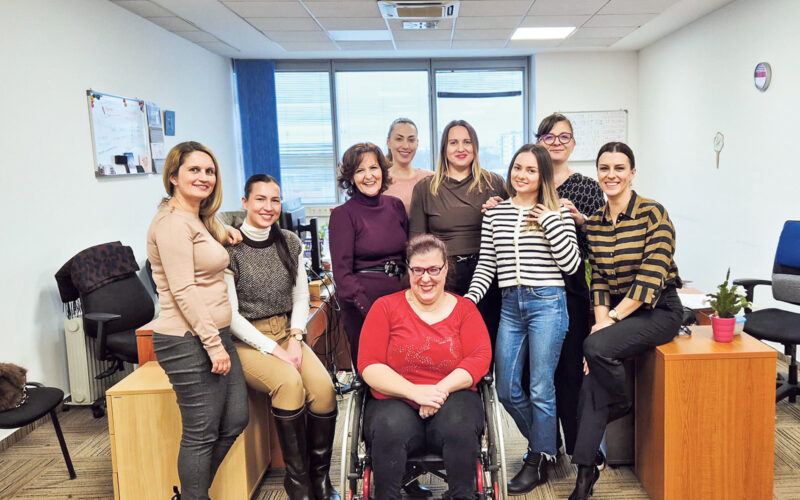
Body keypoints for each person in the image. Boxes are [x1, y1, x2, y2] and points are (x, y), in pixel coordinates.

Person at [569, 142, 682, 500]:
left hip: (659, 309)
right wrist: (602, 324)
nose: (611, 175)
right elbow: (600, 280)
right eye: (604, 168)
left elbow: (652, 275)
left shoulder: (653, 214)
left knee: (594, 347)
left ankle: (622, 402)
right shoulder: (595, 224)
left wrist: (608, 325)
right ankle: (585, 474)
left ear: (632, 173)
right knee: (592, 377)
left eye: (619, 168)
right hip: (619, 312)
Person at [465, 144, 581, 494]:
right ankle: (546, 445)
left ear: (543, 175)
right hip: (510, 305)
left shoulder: (558, 212)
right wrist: (468, 303)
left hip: (548, 303)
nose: (522, 175)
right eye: (518, 167)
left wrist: (550, 222)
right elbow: (487, 265)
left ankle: (537, 460)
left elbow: (571, 265)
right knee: (506, 389)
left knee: (541, 387)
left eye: (531, 170)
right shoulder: (495, 213)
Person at [225, 174, 339, 500]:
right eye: (260, 199)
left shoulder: (289, 241)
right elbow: (231, 316)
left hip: (287, 332)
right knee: (289, 384)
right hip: (247, 340)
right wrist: (276, 350)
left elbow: (301, 297)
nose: (269, 207)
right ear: (245, 202)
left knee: (324, 391)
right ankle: (297, 483)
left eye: (275, 200)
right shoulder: (229, 249)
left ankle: (319, 479)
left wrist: (295, 337)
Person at [146, 141, 248, 500]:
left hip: (213, 333)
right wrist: (213, 345)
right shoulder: (172, 224)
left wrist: (225, 233)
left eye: (210, 171)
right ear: (173, 177)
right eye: (194, 170)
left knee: (235, 419)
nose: (204, 177)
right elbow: (184, 290)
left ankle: (192, 494)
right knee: (201, 433)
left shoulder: (196, 217)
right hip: (188, 340)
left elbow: (203, 245)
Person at [358, 234, 492, 500]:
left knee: (460, 426)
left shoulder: (465, 310)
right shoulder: (385, 308)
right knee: (388, 428)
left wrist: (438, 390)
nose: (426, 278)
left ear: (446, 269)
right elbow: (369, 364)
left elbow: (479, 357)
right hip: (395, 399)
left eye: (433, 269)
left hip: (453, 396)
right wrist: (415, 392)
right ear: (408, 270)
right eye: (418, 270)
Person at [536, 113, 606, 460]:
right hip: (534, 287)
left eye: (564, 137)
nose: (557, 143)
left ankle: (581, 448)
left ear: (574, 144)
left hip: (572, 286)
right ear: (539, 142)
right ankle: (547, 446)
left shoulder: (587, 187)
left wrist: (582, 222)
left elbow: (604, 238)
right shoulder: (528, 180)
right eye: (549, 137)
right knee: (537, 375)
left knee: (570, 372)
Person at [409, 119, 507, 349]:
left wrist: (501, 209)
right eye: (453, 142)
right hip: (444, 276)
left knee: (485, 341)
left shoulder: (494, 183)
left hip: (487, 272)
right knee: (448, 343)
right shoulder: (426, 188)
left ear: (476, 147)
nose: (461, 148)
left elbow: (513, 228)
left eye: (467, 142)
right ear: (444, 148)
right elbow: (417, 244)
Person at [329, 142, 408, 365]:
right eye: (360, 170)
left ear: (382, 170)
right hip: (363, 305)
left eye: (373, 168)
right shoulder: (343, 215)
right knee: (373, 369)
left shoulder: (396, 206)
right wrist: (370, 310)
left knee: (406, 366)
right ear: (351, 178)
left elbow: (408, 255)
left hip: (400, 300)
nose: (369, 176)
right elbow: (342, 275)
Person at [383, 117, 433, 213]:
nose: (406, 146)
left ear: (417, 143)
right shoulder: (380, 180)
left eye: (411, 140)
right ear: (388, 142)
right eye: (399, 139)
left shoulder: (430, 179)